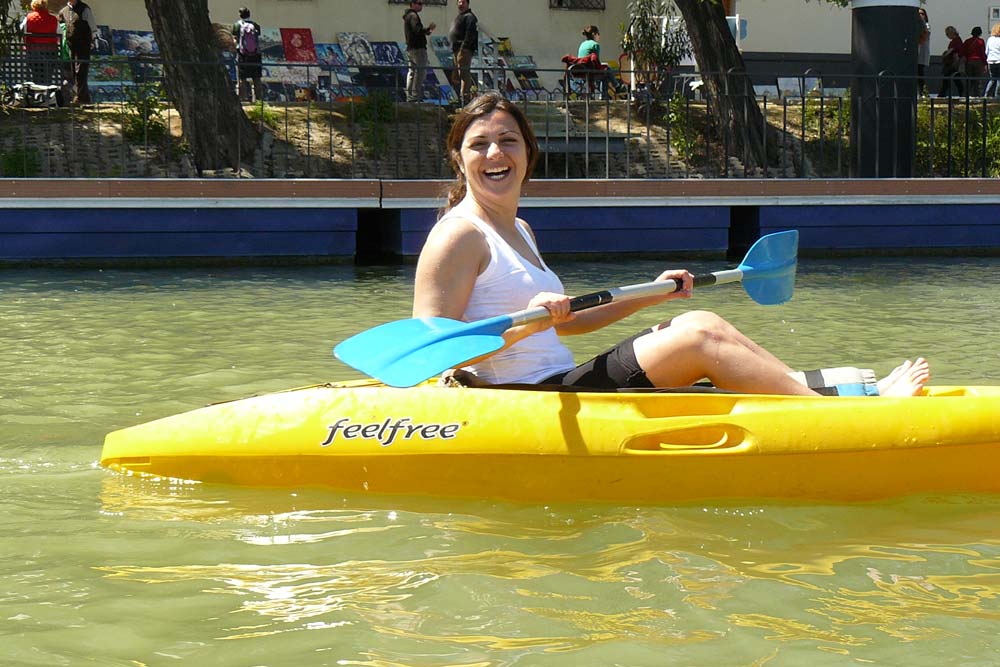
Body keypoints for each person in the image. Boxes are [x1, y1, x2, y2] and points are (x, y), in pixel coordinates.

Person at [413, 92, 931, 397]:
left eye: (507, 140)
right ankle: (836, 410)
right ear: (458, 159)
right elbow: (431, 357)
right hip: (522, 399)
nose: (495, 153)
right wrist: (528, 322)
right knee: (697, 336)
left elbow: (567, 319)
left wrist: (651, 295)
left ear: (528, 152)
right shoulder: (457, 234)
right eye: (478, 144)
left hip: (560, 380)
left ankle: (808, 386)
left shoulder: (519, 230)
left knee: (687, 321)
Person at [57, 0, 97, 105]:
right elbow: (61, 26)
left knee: (81, 70)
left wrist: (93, 41)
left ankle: (82, 98)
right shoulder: (64, 11)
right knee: (74, 71)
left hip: (84, 44)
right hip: (71, 45)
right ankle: (80, 96)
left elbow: (92, 27)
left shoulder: (84, 9)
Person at [403, 0, 435, 103]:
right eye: (419, 3)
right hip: (418, 48)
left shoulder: (408, 16)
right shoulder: (413, 16)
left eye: (422, 4)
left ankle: (410, 95)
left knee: (412, 72)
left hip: (411, 48)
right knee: (420, 71)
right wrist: (428, 29)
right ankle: (415, 94)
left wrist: (428, 31)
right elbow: (418, 30)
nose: (421, 6)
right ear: (412, 4)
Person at [23, 0, 59, 86]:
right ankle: (46, 93)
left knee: (35, 75)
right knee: (48, 76)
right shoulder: (53, 19)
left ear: (33, 6)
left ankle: (36, 93)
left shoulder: (28, 18)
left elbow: (23, 31)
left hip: (33, 53)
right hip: (50, 53)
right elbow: (59, 34)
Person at [449, 0, 478, 104]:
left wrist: (464, 48)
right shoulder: (460, 16)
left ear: (467, 3)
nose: (461, 4)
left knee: (464, 74)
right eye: (459, 2)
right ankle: (458, 98)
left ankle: (465, 99)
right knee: (456, 75)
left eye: (463, 2)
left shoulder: (469, 17)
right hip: (456, 50)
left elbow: (470, 34)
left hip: (463, 50)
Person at [231, 7, 263, 102]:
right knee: (256, 78)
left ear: (240, 15)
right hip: (256, 55)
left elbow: (235, 39)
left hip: (242, 55)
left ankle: (243, 98)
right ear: (249, 14)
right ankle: (258, 100)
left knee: (242, 78)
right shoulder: (256, 25)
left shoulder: (237, 25)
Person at [939, 25, 965, 97]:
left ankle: (942, 94)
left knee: (947, 78)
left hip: (952, 63)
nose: (947, 36)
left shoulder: (956, 40)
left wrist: (945, 55)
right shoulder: (958, 40)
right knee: (956, 79)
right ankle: (961, 93)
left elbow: (952, 50)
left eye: (947, 34)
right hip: (954, 62)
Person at [961, 26, 987, 92]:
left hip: (969, 61)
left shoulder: (967, 41)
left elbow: (962, 52)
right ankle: (976, 95)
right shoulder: (981, 41)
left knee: (969, 80)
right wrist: (985, 64)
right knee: (977, 80)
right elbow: (983, 53)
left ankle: (967, 95)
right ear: (980, 33)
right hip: (978, 62)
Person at [916, 8, 930, 96]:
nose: (921, 15)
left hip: (922, 53)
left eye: (922, 14)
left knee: (920, 72)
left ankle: (924, 92)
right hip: (916, 52)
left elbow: (923, 36)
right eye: (919, 14)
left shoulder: (926, 25)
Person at [984, 23, 1000, 97]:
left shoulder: (990, 39)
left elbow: (986, 51)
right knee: (999, 80)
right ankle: (997, 96)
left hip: (990, 61)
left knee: (992, 79)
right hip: (999, 60)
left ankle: (986, 95)